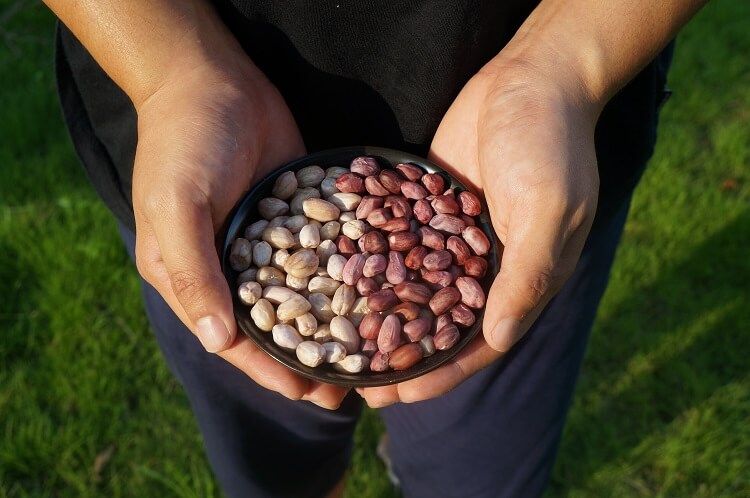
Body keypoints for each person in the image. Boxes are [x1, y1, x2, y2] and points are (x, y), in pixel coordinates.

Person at [45, 0, 707, 496]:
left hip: (527, 183)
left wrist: (568, 60)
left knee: (478, 472)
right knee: (272, 465)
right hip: (208, 177)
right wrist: (168, 68)